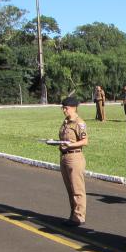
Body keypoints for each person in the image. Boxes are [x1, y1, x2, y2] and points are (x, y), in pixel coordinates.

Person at [47, 96, 88, 226]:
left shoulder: (79, 123)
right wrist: (55, 142)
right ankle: (73, 214)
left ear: (73, 108)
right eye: (63, 108)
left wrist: (70, 145)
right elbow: (64, 139)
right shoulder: (66, 122)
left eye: (66, 108)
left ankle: (79, 217)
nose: (64, 110)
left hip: (74, 157)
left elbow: (85, 141)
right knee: (70, 189)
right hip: (64, 156)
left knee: (77, 189)